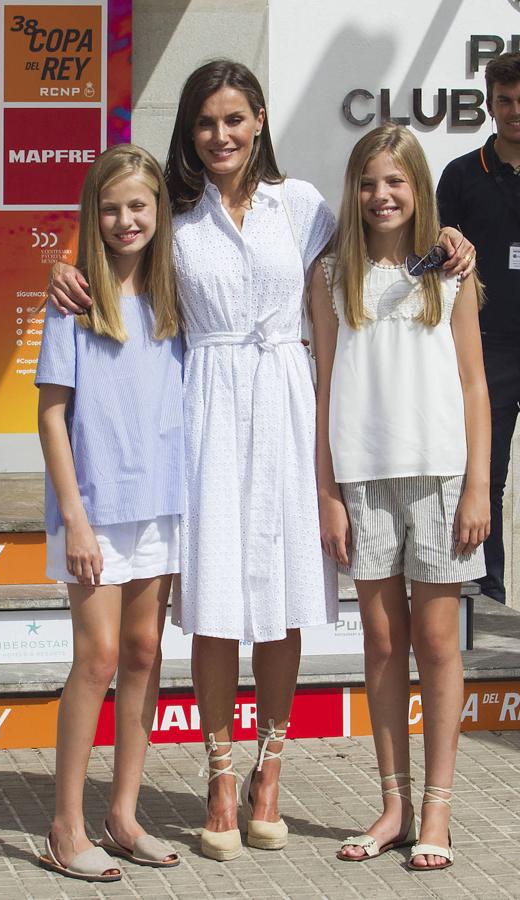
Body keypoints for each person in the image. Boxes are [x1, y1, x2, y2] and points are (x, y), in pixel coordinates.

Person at [47, 62, 476, 862]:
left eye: (235, 119)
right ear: (191, 130)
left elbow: (383, 243)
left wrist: (449, 239)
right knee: (213, 601)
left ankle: (267, 775)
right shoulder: (175, 214)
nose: (222, 136)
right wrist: (63, 270)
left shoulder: (305, 205)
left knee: (280, 600)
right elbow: (119, 252)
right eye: (207, 122)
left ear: (260, 121)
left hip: (287, 407)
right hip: (203, 411)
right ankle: (217, 776)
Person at [312, 123, 490, 872]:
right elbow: (323, 388)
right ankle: (394, 805)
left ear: (418, 189)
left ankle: (439, 810)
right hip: (363, 477)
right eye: (367, 182)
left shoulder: (448, 273)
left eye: (396, 182)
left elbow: (476, 386)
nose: (381, 196)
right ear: (353, 192)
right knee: (382, 643)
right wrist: (327, 490)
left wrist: (480, 482)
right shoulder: (328, 277)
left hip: (443, 476)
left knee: (439, 643)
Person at [35, 144, 183, 882]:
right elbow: (52, 417)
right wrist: (76, 517)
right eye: (112, 206)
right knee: (94, 661)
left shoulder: (172, 295)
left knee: (144, 658)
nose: (127, 220)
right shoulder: (74, 296)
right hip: (92, 510)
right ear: (94, 215)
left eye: (139, 206)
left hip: (160, 507)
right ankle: (66, 827)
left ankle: (123, 815)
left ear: (159, 212)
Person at [437, 52, 520, 605]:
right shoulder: (462, 175)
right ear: (489, 105)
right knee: (484, 474)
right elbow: (437, 255)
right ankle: (486, 595)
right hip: (490, 347)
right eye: (507, 101)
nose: (516, 111)